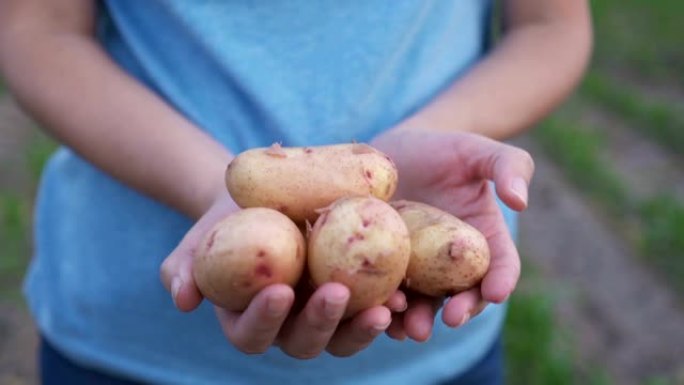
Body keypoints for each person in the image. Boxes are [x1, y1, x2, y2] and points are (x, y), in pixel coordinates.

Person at [0, 1, 591, 384]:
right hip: (128, 340)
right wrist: (207, 183)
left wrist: (437, 133)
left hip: (431, 350)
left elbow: (551, 24)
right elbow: (36, 28)